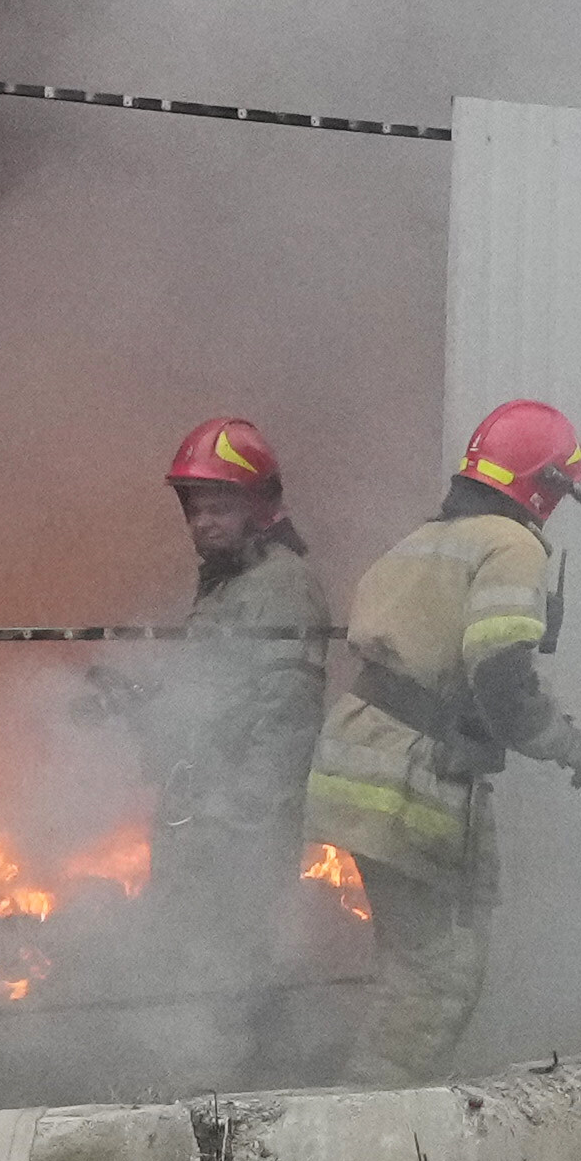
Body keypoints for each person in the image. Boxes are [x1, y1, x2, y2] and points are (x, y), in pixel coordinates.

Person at [310, 403, 581, 1077]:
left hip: (358, 766)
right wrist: (561, 740)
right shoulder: (512, 545)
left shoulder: (422, 541)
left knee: (406, 967)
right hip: (407, 778)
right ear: (542, 484)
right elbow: (499, 674)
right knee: (439, 978)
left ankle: (360, 1103)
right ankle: (365, 1129)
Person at [84, 413, 334, 1010]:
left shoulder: (281, 585)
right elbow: (214, 698)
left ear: (257, 505)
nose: (202, 522)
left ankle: (236, 1095)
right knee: (184, 973)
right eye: (194, 508)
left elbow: (286, 717)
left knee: (227, 978)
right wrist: (136, 703)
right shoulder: (228, 584)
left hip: (235, 828)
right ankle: (188, 1086)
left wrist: (240, 823)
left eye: (218, 506)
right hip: (199, 819)